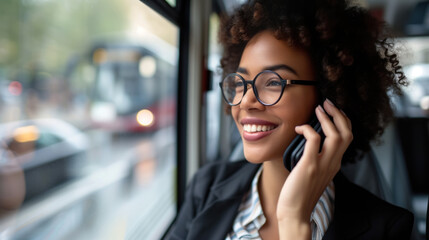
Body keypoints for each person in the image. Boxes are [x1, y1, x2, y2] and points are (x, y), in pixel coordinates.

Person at [168, 0, 414, 239]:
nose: (245, 102)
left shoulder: (387, 228)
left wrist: (294, 221)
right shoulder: (206, 186)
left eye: (274, 82)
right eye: (241, 82)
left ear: (330, 99)